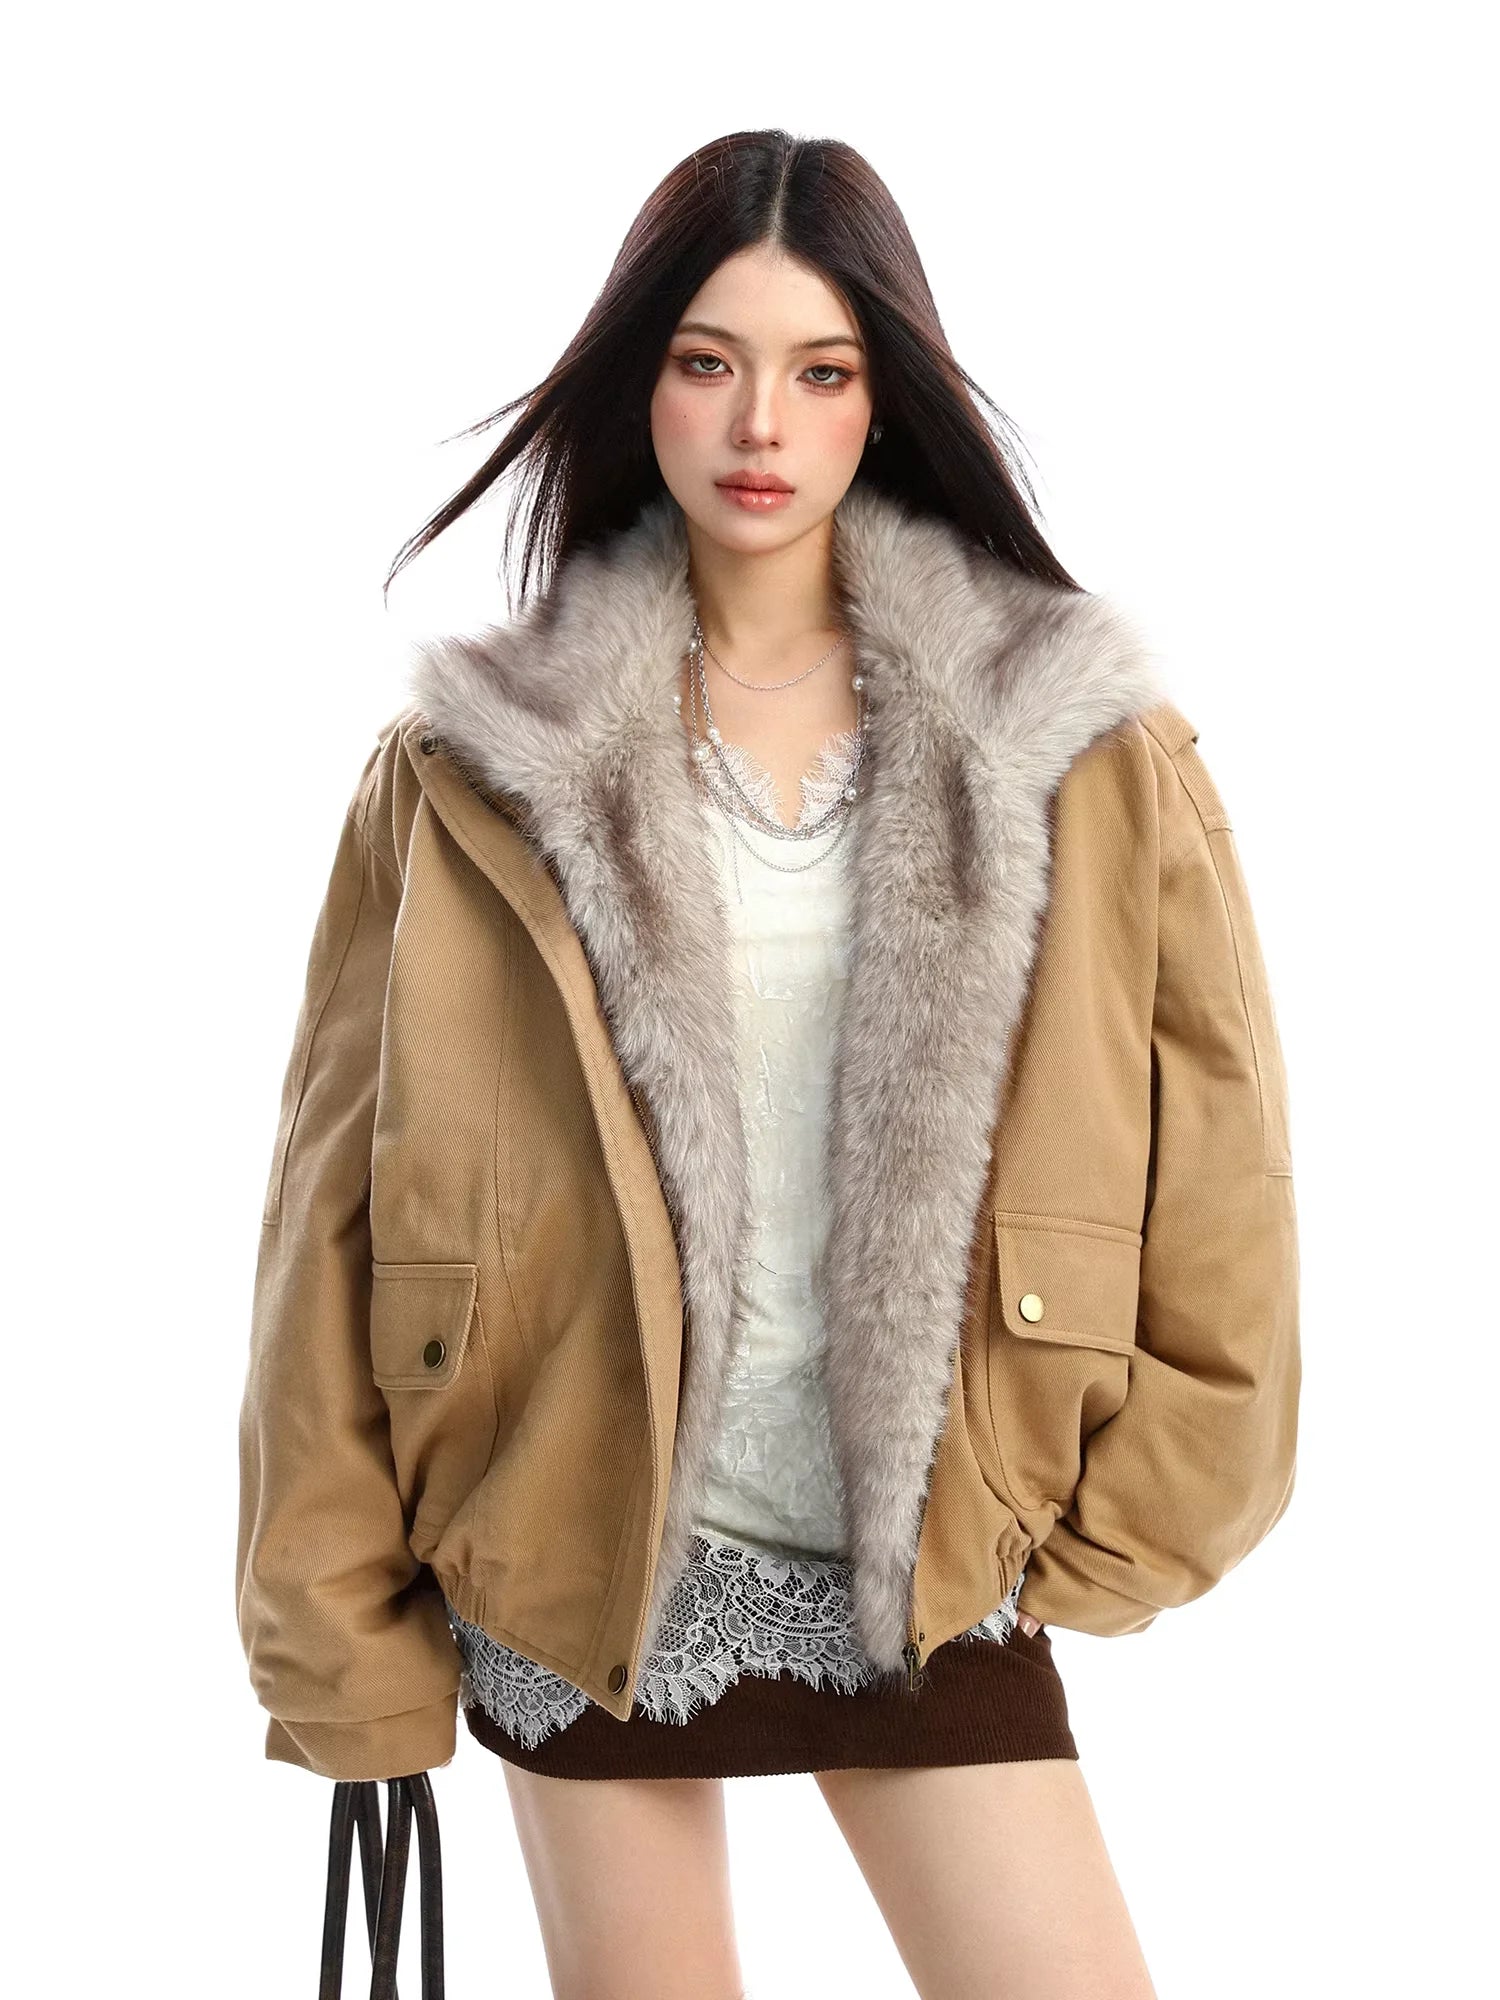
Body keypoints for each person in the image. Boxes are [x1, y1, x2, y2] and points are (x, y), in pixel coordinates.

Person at [236, 128, 1300, 2000]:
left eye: (822, 371)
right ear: (638, 379)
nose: (759, 424)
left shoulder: (1075, 745)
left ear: (886, 401)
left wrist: (1152, 1503)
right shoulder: (470, 771)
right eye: (707, 360)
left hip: (937, 1548)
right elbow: (329, 1219)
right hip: (577, 1550)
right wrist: (341, 1646)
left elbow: (1220, 1150)